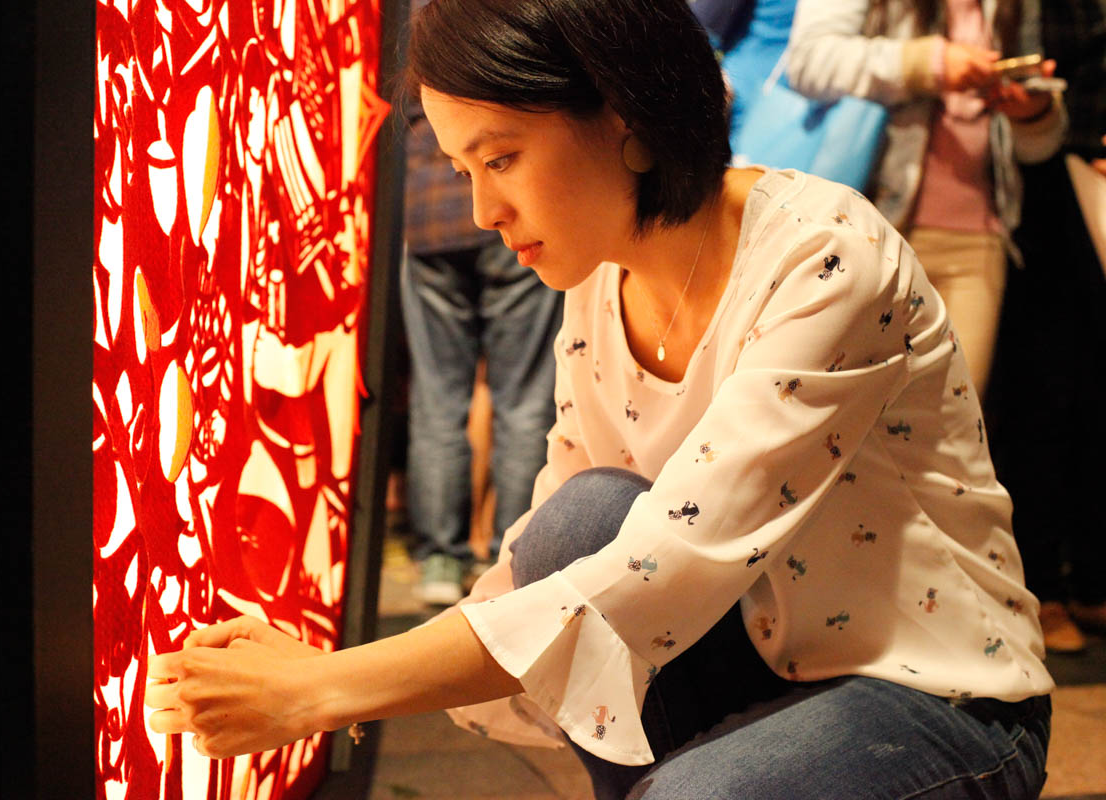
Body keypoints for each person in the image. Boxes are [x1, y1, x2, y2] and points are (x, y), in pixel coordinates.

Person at [145, 1, 1054, 797]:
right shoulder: (600, 282)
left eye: (500, 158)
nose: (480, 212)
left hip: (936, 695)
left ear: (629, 120)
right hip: (750, 650)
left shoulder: (824, 258)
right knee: (580, 520)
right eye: (463, 170)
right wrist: (325, 672)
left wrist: (320, 690)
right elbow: (548, 554)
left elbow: (668, 561)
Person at [785, 0, 1068, 398]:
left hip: (978, 241)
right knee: (846, 424)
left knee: (956, 430)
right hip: (871, 232)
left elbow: (1037, 149)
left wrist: (1033, 113)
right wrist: (926, 63)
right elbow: (808, 60)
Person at [400, 56, 563, 605]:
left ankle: (440, 560)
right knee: (524, 397)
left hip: (425, 210)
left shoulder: (421, 25)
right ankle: (507, 562)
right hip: (516, 208)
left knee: (437, 395)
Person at [991, 0, 1106, 653]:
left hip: (1071, 159)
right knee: (1042, 386)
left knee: (1092, 383)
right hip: (1036, 173)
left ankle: (1090, 578)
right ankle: (1044, 584)